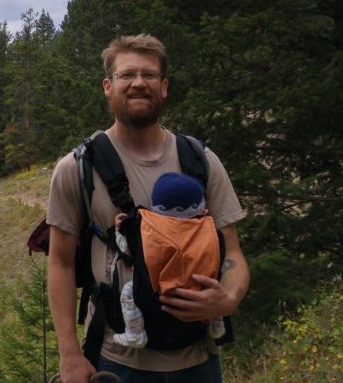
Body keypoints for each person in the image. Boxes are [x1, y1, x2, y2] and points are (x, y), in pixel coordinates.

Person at [46, 34, 249, 383]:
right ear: (108, 86)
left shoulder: (201, 160)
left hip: (199, 360)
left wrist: (228, 297)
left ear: (164, 86)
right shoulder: (78, 168)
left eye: (149, 75)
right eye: (127, 75)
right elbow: (60, 262)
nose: (139, 83)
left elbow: (233, 252)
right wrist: (69, 354)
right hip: (115, 363)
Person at [110, 172, 226, 350]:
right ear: (201, 208)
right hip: (198, 286)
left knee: (128, 291)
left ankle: (135, 333)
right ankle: (217, 324)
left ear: (158, 209)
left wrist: (120, 231)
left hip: (164, 288)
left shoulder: (149, 230)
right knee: (215, 286)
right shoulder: (208, 228)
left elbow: (128, 249)